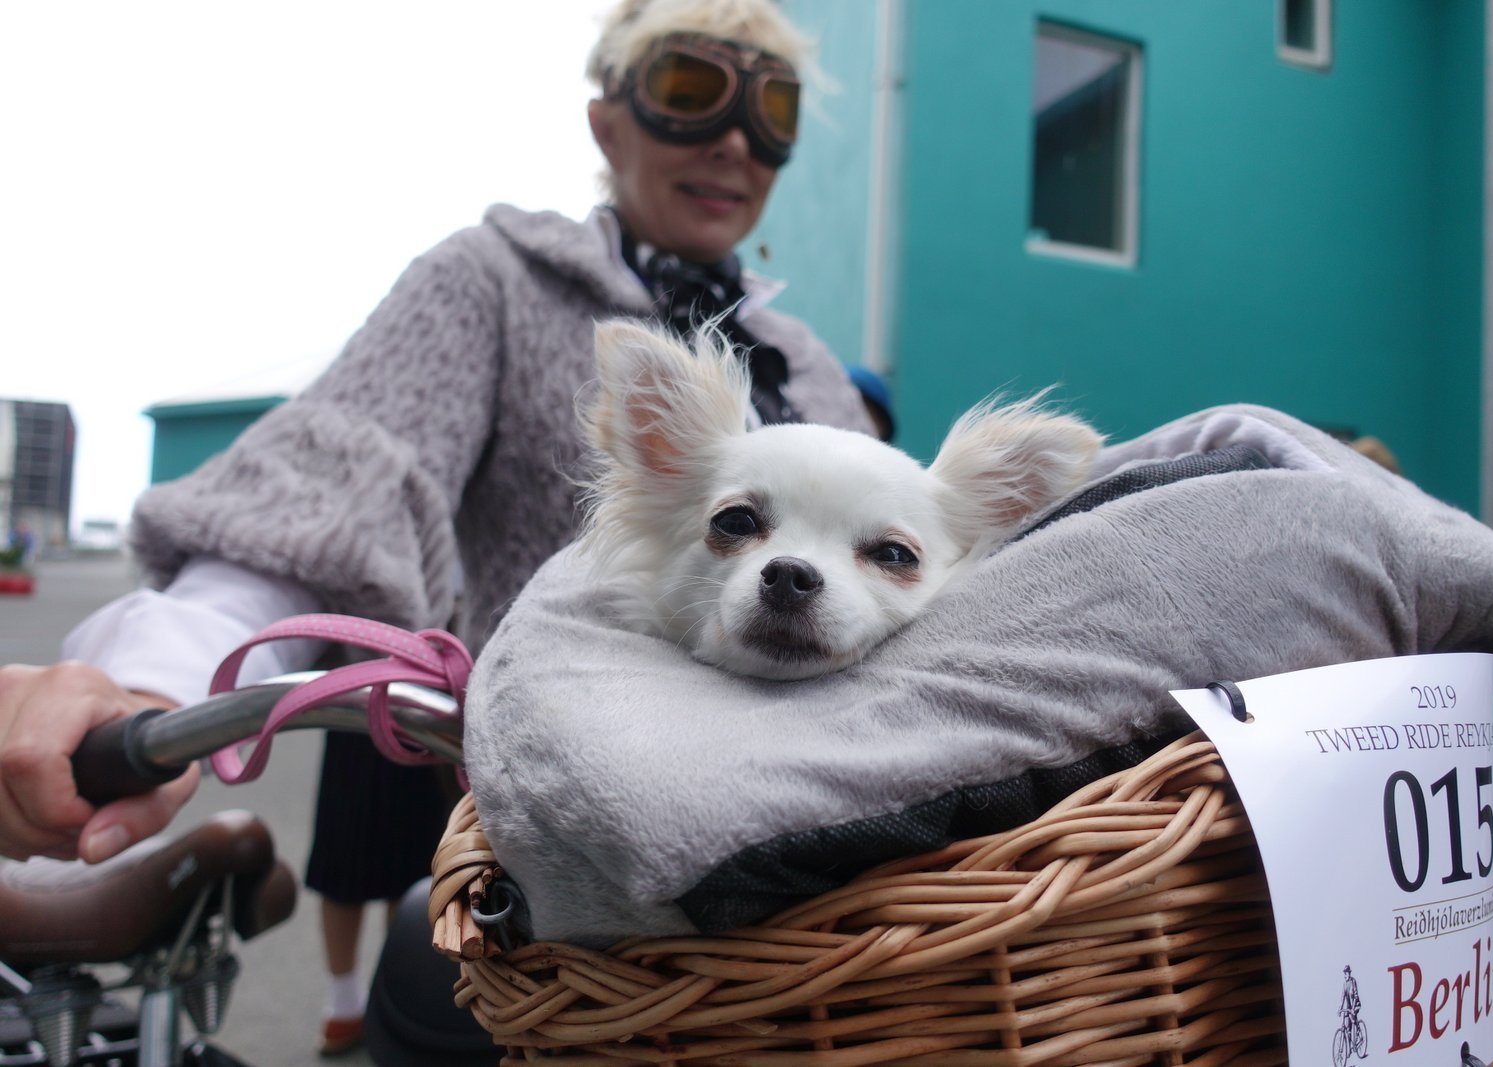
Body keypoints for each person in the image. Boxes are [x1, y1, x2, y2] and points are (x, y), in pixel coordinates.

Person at [0, 0, 873, 1055]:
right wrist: (155, 685)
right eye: (691, 90)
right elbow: (341, 467)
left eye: (773, 109)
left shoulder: (809, 369)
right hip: (563, 844)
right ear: (607, 123)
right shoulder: (497, 279)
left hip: (825, 875)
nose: (735, 140)